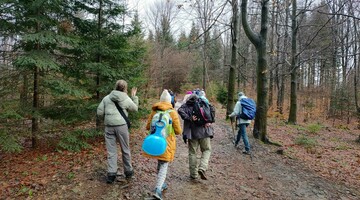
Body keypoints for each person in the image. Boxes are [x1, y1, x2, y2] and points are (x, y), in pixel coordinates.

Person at [97, 80, 139, 184]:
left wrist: (107, 119)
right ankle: (128, 171)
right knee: (125, 148)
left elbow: (99, 112)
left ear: (115, 87)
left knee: (111, 151)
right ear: (125, 88)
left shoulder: (106, 98)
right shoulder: (126, 98)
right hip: (121, 127)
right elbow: (135, 109)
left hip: (109, 127)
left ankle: (111, 174)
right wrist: (134, 97)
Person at [144, 89, 182, 199]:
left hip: (155, 141)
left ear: (160, 100)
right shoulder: (172, 112)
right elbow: (178, 131)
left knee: (160, 162)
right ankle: (158, 190)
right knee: (164, 164)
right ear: (170, 101)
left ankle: (161, 184)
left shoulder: (154, 111)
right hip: (167, 143)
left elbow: (147, 127)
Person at [178, 94, 214, 181]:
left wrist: (189, 118)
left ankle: (193, 174)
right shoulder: (203, 103)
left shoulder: (186, 105)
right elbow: (212, 111)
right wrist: (210, 121)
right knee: (206, 150)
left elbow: (179, 110)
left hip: (192, 133)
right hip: (205, 132)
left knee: (192, 153)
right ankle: (202, 167)